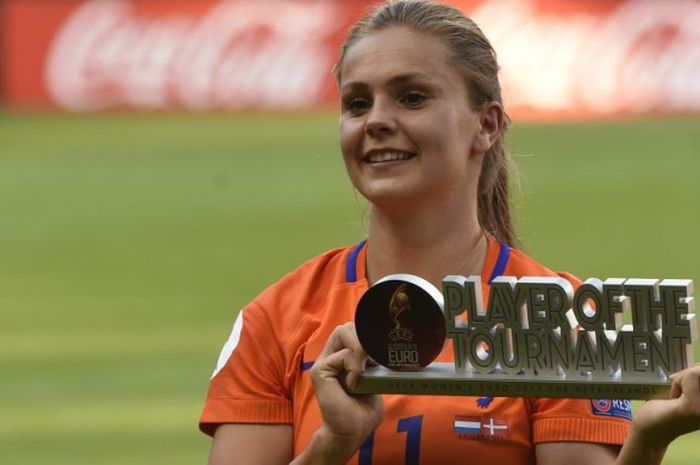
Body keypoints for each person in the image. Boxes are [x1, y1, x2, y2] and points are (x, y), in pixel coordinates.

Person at [199, 1, 700, 464]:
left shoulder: (555, 319)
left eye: (411, 97)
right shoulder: (278, 318)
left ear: (486, 126)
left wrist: (649, 439)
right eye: (356, 103)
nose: (375, 120)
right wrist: (333, 444)